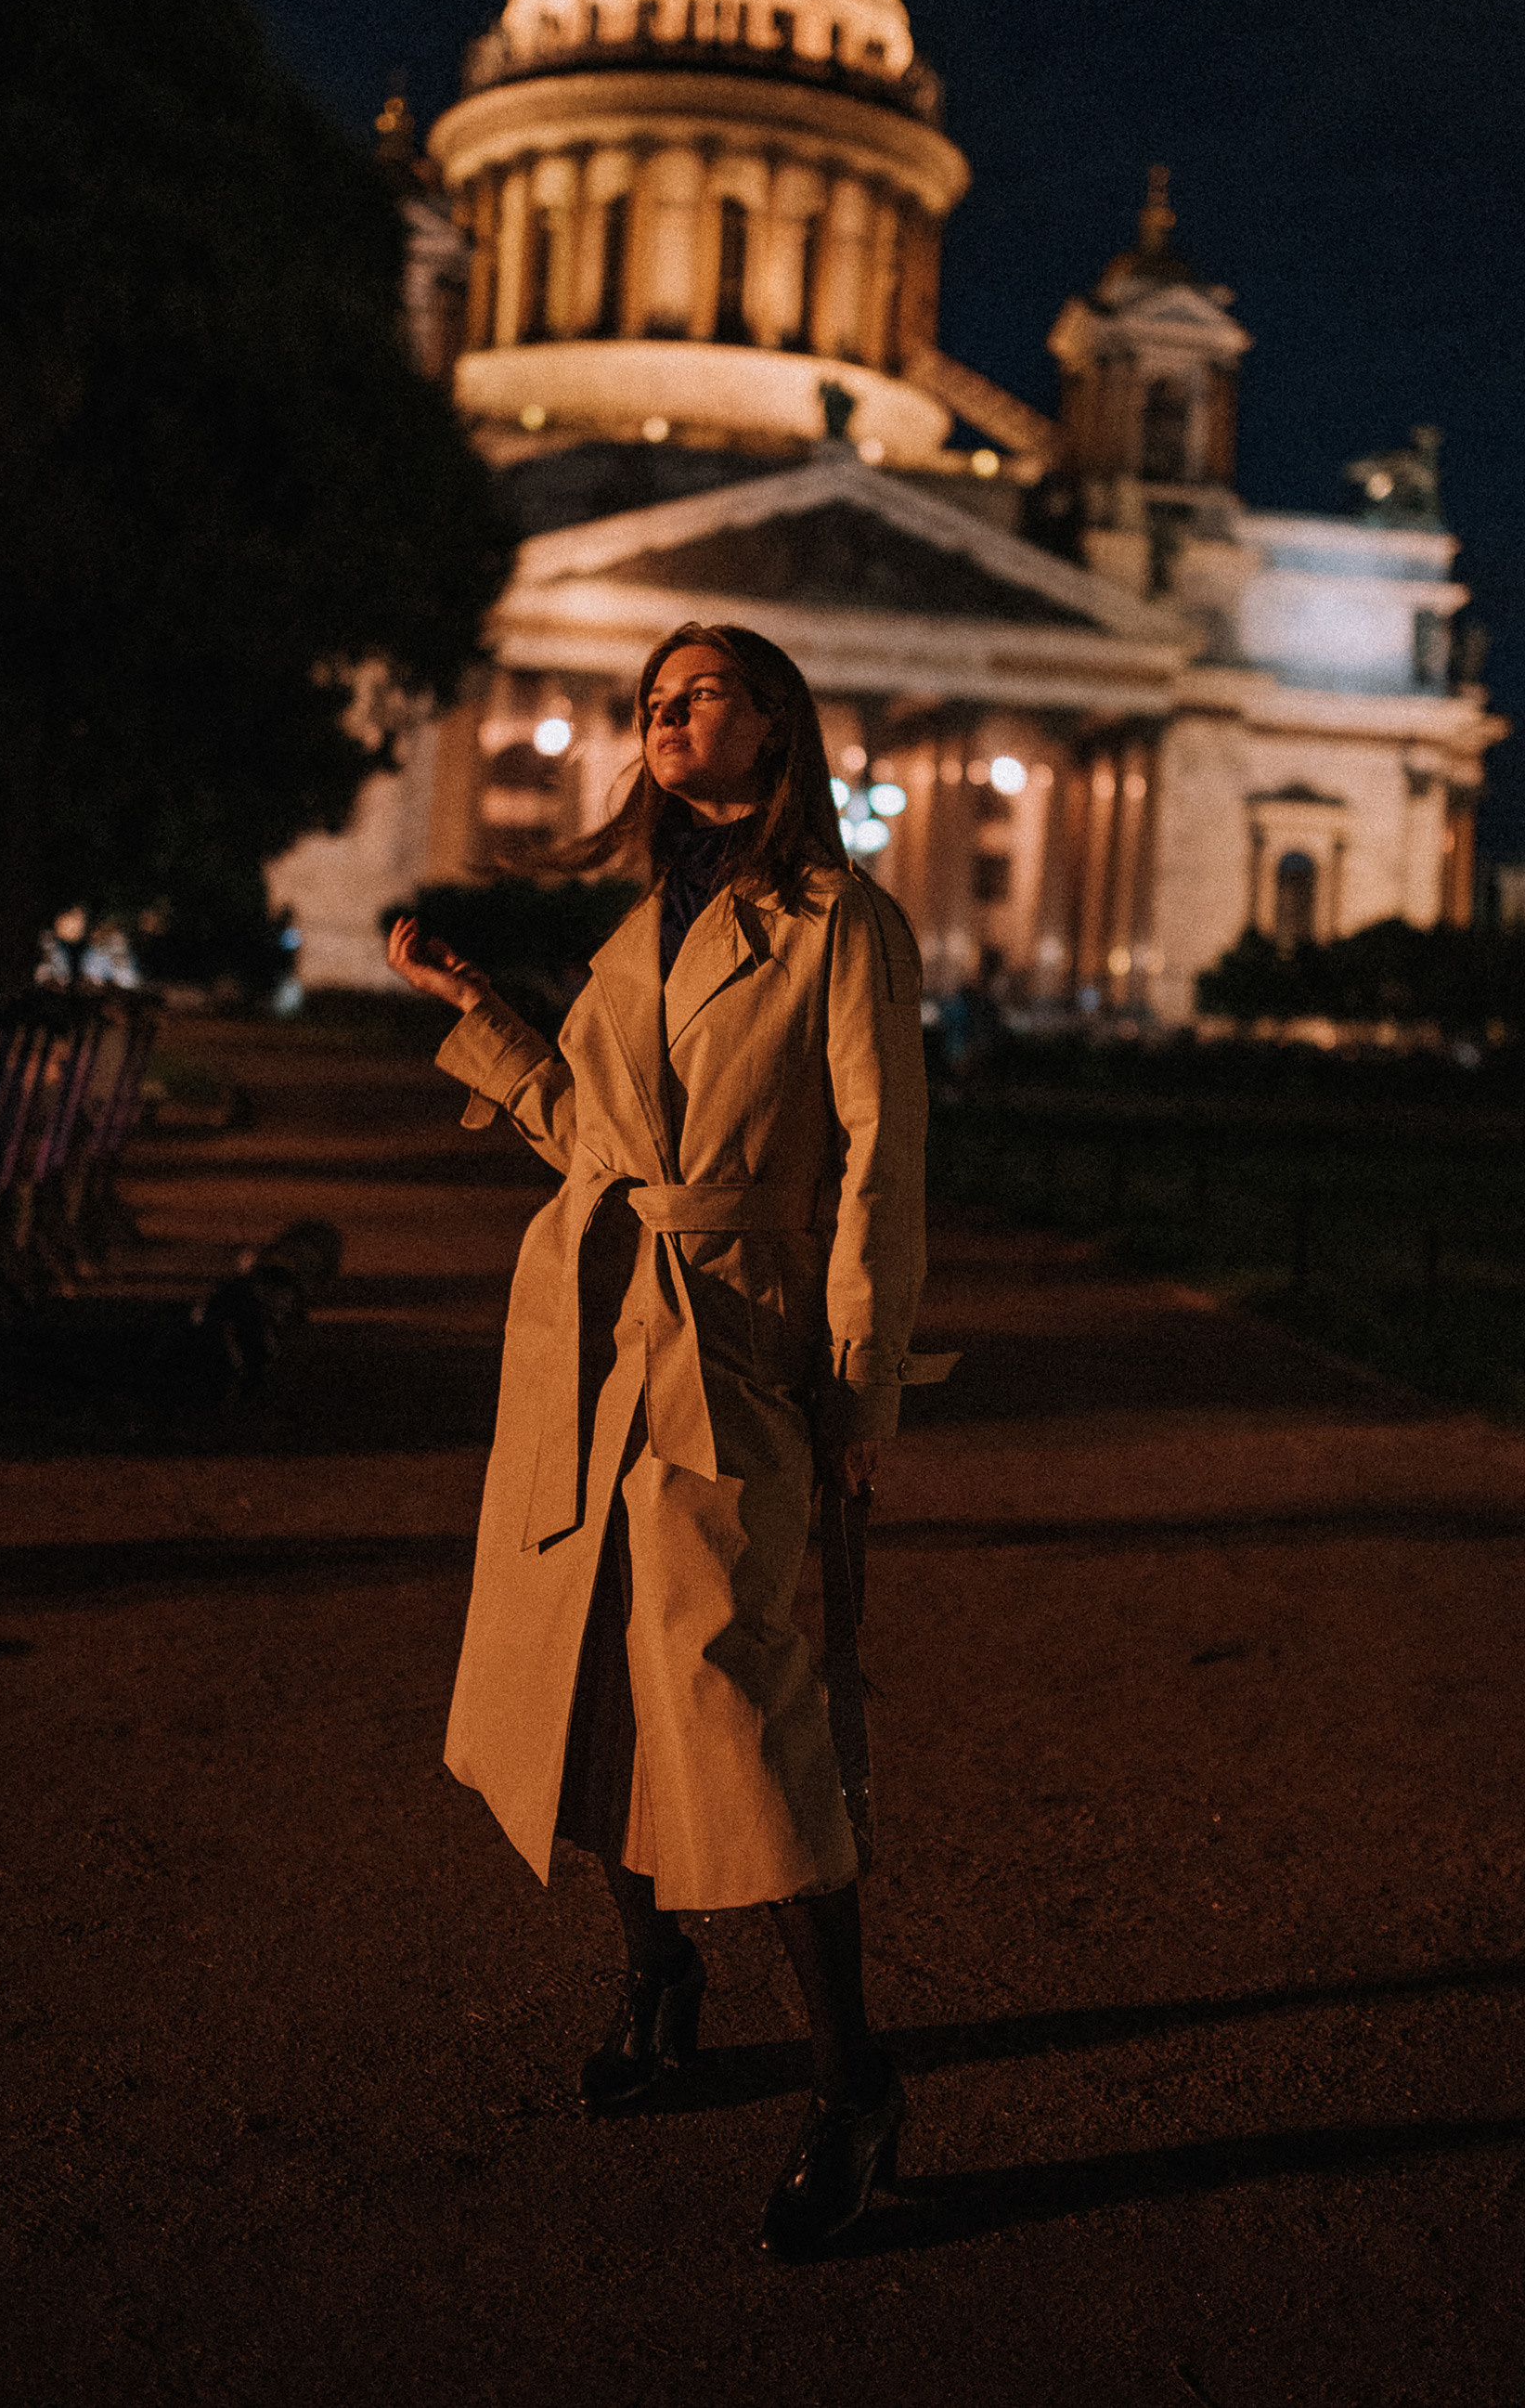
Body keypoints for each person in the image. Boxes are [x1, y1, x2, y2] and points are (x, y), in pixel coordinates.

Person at [386, 620, 940, 2258]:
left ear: (780, 727)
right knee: (595, 1690)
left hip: (734, 1352)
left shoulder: (846, 924)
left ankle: (854, 2083)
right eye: (650, 703)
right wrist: (481, 1012)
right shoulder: (641, 931)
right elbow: (590, 1138)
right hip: (588, 1340)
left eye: (699, 693)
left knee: (741, 1708)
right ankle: (661, 1978)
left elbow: (879, 1169)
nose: (663, 716)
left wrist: (857, 1390)